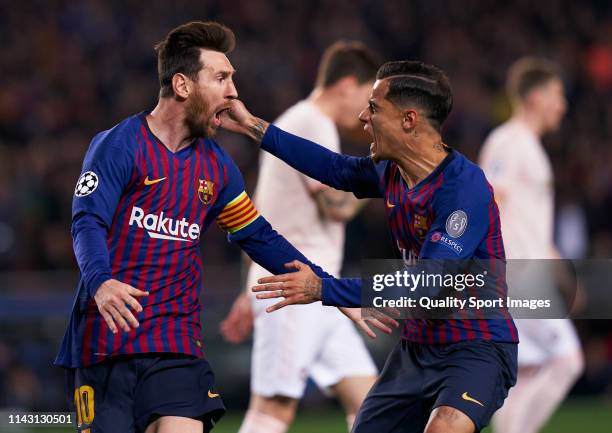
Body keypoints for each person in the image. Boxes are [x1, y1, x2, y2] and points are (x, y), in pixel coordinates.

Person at [54, 21, 391, 433]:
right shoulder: (119, 146)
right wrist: (101, 281)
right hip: (107, 343)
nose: (233, 91)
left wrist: (332, 292)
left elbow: (259, 238)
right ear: (182, 85)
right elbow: (88, 219)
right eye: (221, 78)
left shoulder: (215, 168)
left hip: (175, 345)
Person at [220, 61, 519, 433]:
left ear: (409, 120)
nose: (363, 116)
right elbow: (334, 168)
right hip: (417, 348)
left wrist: (322, 288)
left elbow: (425, 285)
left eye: (375, 108)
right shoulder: (391, 172)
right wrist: (252, 126)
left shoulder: (463, 190)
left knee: (445, 428)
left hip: (476, 347)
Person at [220, 41, 382, 433]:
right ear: (346, 85)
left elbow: (257, 212)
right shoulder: (313, 122)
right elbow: (336, 206)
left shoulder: (296, 120)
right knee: (272, 409)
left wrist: (247, 289)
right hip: (294, 285)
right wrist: (387, 184)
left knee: (370, 402)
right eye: (368, 97)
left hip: (316, 288)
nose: (367, 112)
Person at [479, 57, 584, 433]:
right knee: (568, 360)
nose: (562, 104)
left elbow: (532, 226)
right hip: (517, 273)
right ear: (536, 97)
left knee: (525, 372)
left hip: (527, 270)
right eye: (557, 95)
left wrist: (563, 274)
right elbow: (488, 204)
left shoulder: (530, 147)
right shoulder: (508, 142)